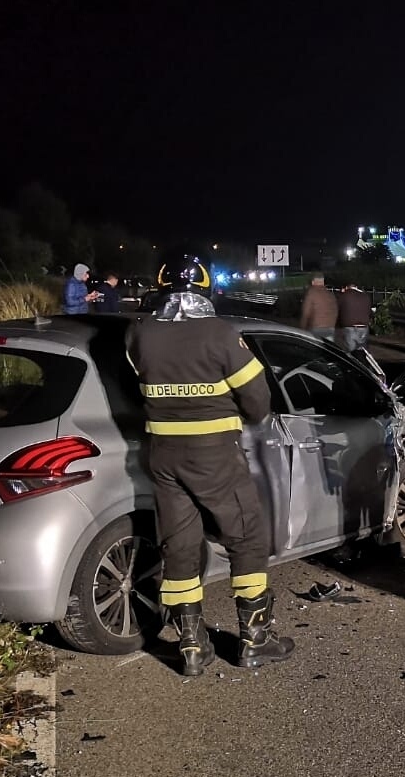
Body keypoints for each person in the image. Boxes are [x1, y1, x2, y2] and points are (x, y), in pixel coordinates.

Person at [125, 253, 294, 676]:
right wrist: (251, 418)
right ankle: (256, 639)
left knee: (179, 545)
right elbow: (257, 401)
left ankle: (191, 646)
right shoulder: (221, 335)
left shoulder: (139, 335)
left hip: (163, 454)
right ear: (205, 287)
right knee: (246, 537)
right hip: (214, 453)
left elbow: (136, 384)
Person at [300, 274, 338, 340]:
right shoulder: (330, 294)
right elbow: (335, 311)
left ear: (313, 282)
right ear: (323, 282)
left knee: (315, 349)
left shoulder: (311, 293)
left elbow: (306, 313)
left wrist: (302, 329)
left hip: (315, 329)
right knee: (328, 349)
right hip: (330, 328)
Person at [337, 280, 371, 352]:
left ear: (346, 287)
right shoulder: (365, 296)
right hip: (364, 326)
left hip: (349, 326)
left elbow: (338, 309)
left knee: (350, 351)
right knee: (362, 350)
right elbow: (369, 311)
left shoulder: (344, 295)